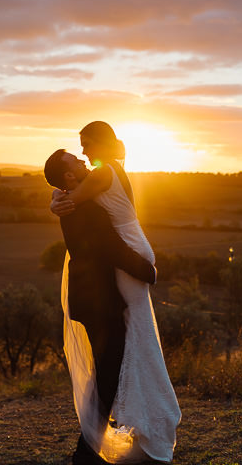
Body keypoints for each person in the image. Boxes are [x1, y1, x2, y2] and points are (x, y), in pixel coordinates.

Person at [49, 121, 181, 464]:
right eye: (73, 159)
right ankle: (104, 442)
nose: (81, 156)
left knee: (116, 362)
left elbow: (104, 239)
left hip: (102, 291)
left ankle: (103, 441)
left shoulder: (91, 187)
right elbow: (108, 247)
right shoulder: (87, 201)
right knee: (117, 362)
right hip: (103, 295)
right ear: (66, 178)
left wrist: (56, 197)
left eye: (84, 147)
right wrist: (147, 271)